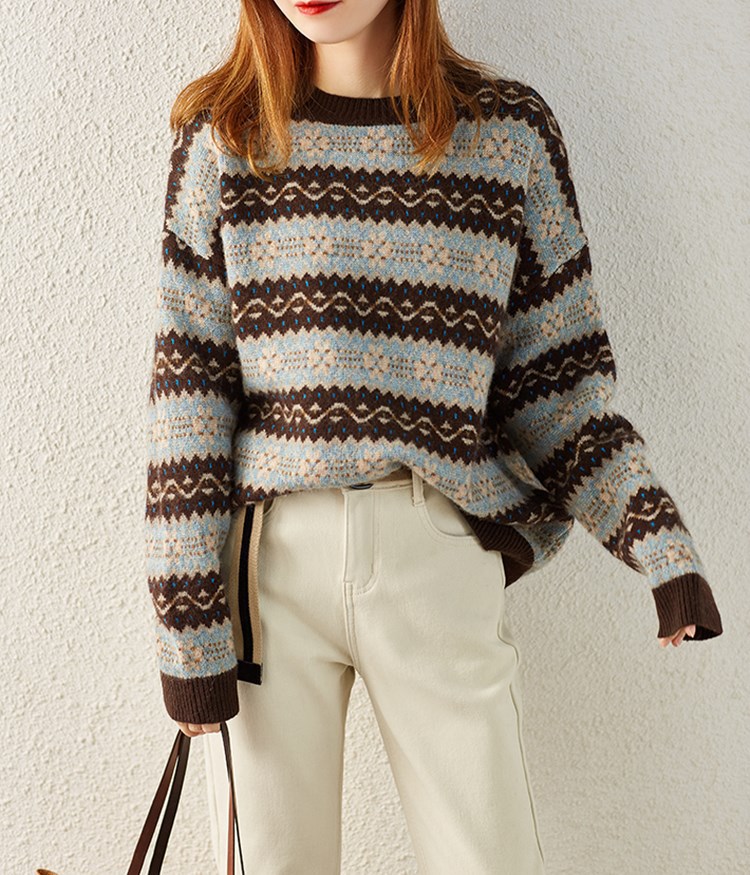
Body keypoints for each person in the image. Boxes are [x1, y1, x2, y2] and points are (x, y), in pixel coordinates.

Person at [144, 0, 723, 870]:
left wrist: (660, 546)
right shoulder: (225, 136)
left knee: (490, 856)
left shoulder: (508, 136)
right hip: (267, 572)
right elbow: (190, 390)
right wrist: (188, 623)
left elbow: (558, 387)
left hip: (437, 549)